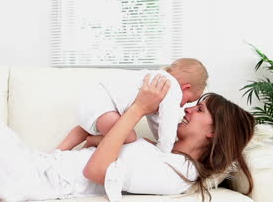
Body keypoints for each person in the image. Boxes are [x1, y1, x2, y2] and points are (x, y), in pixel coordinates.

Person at [0, 74, 254, 202]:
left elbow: (97, 170)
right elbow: (83, 155)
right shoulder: (159, 153)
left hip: (26, 180)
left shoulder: (175, 174)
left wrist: (136, 108)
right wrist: (86, 134)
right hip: (33, 166)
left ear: (213, 131)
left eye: (198, 110)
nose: (188, 109)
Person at [57, 58, 209, 153]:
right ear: (186, 87)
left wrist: (158, 141)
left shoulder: (155, 78)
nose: (183, 106)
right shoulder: (170, 88)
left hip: (92, 97)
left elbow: (156, 121)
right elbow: (167, 122)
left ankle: (60, 151)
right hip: (102, 104)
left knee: (84, 127)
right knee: (129, 137)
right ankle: (92, 141)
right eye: (188, 101)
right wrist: (164, 150)